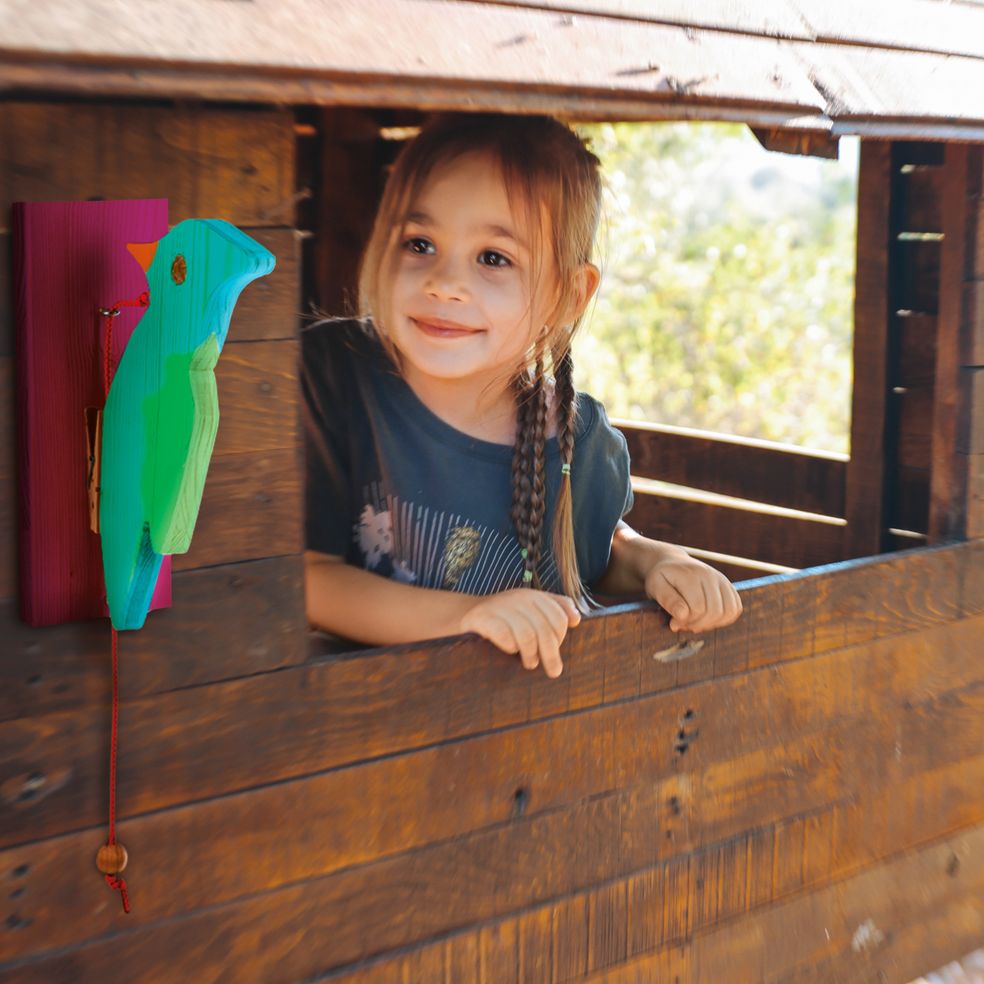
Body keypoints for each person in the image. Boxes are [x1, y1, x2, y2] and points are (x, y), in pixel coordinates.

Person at [301, 113, 742, 679]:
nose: (445, 283)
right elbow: (307, 578)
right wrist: (469, 616)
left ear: (568, 295)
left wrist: (660, 562)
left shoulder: (578, 441)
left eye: (493, 258)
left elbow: (599, 550)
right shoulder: (334, 379)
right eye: (420, 244)